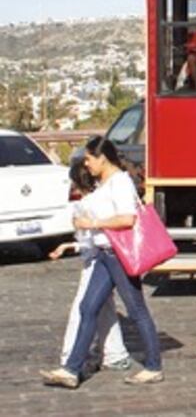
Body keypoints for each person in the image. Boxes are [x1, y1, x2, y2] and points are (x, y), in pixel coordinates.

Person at [41, 136, 163, 388]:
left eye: (88, 159)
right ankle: (71, 369)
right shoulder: (105, 182)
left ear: (102, 158)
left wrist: (92, 224)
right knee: (88, 307)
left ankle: (153, 366)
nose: (86, 165)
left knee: (136, 310)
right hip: (103, 255)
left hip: (119, 255)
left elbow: (127, 219)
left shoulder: (119, 182)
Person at [47, 160, 132, 374]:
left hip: (97, 260)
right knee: (104, 309)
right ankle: (115, 354)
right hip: (102, 257)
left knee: (83, 309)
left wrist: (74, 243)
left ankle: (71, 357)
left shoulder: (89, 203)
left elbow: (94, 237)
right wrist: (71, 245)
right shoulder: (98, 198)